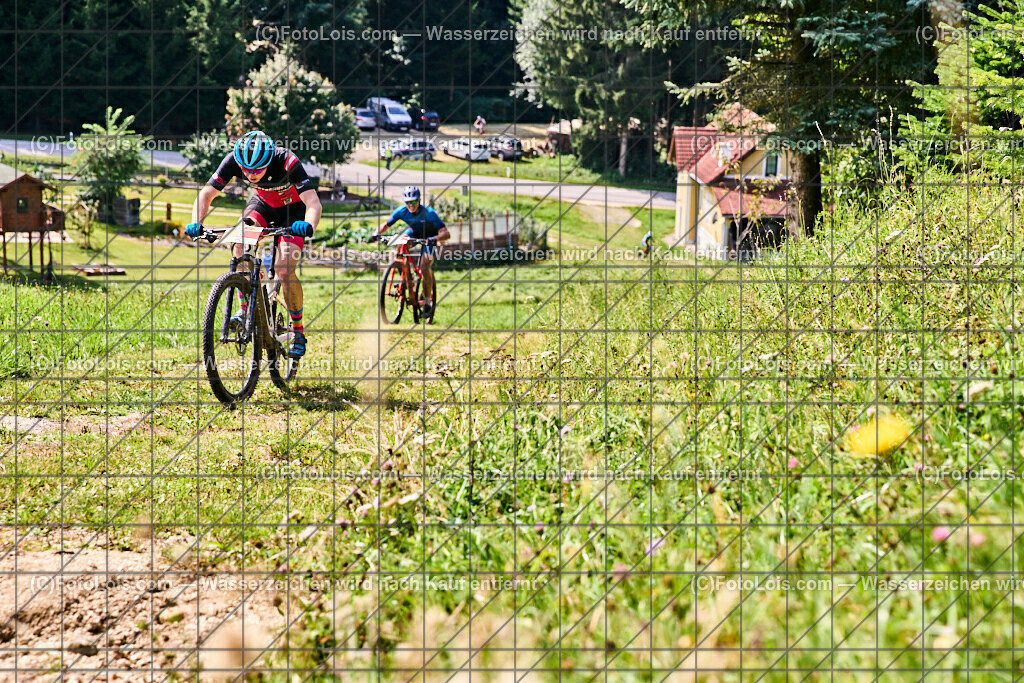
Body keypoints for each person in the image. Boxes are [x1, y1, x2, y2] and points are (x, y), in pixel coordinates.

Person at [184, 130, 321, 358]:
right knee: (239, 243)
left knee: (284, 269)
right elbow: (206, 194)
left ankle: (298, 331)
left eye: (258, 169)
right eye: (246, 170)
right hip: (262, 205)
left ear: (269, 160)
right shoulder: (234, 160)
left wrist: (308, 226)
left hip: (293, 211)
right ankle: (244, 308)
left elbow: (313, 202)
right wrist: (196, 223)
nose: (251, 174)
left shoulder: (287, 161)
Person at [368, 186, 449, 323]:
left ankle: (428, 301)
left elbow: (446, 233)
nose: (411, 205)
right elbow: (386, 225)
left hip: (430, 237)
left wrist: (434, 239)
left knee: (424, 266)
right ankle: (405, 275)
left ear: (419, 200)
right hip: (414, 232)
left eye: (414, 202)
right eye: (408, 202)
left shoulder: (429, 213)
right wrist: (376, 233)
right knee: (400, 242)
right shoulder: (401, 211)